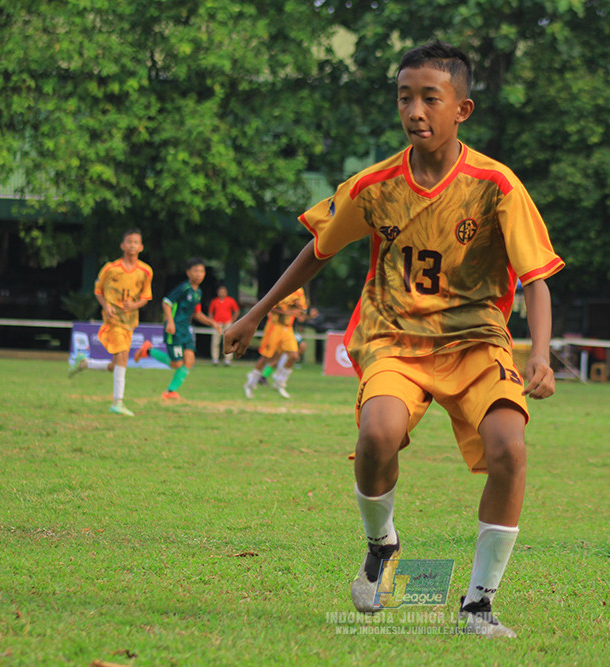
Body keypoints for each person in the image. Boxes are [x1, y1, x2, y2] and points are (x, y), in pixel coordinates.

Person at [224, 41, 563, 637]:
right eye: (405, 97)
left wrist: (539, 351)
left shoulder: (496, 185)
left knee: (510, 447)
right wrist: (256, 313)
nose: (415, 110)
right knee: (377, 434)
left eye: (430, 98)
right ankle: (381, 544)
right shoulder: (375, 185)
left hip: (477, 340)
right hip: (394, 337)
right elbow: (317, 250)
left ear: (463, 108)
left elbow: (535, 277)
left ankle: (478, 604)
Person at [69, 228, 153, 417]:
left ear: (141, 247)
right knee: (123, 355)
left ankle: (85, 363)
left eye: (136, 242)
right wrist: (106, 306)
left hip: (130, 322)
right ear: (122, 245)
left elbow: (146, 297)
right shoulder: (110, 268)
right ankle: (118, 402)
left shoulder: (146, 271)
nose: (132, 245)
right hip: (113, 320)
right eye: (129, 242)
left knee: (116, 365)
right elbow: (98, 291)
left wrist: (133, 305)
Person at [135, 258, 221, 399]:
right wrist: (170, 322)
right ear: (188, 273)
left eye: (202, 271)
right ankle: (148, 351)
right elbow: (166, 302)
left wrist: (212, 322)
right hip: (174, 329)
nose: (199, 274)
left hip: (185, 329)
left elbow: (197, 313)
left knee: (190, 361)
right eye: (196, 271)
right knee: (177, 363)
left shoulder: (198, 292)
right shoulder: (184, 288)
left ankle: (170, 392)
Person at [242, 287, 308, 399]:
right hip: (274, 326)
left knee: (293, 356)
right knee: (266, 357)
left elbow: (302, 310)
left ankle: (279, 383)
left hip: (288, 328)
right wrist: (290, 311)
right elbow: (270, 307)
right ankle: (250, 384)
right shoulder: (281, 288)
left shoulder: (299, 291)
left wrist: (299, 307)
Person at [208, 285, 240, 366]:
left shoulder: (230, 300)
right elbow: (211, 312)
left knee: (228, 341)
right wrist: (212, 321)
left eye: (223, 292)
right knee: (215, 341)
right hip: (217, 323)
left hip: (227, 322)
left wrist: (232, 320)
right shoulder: (214, 301)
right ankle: (215, 358)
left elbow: (236, 311)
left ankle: (228, 359)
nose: (222, 293)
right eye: (220, 292)